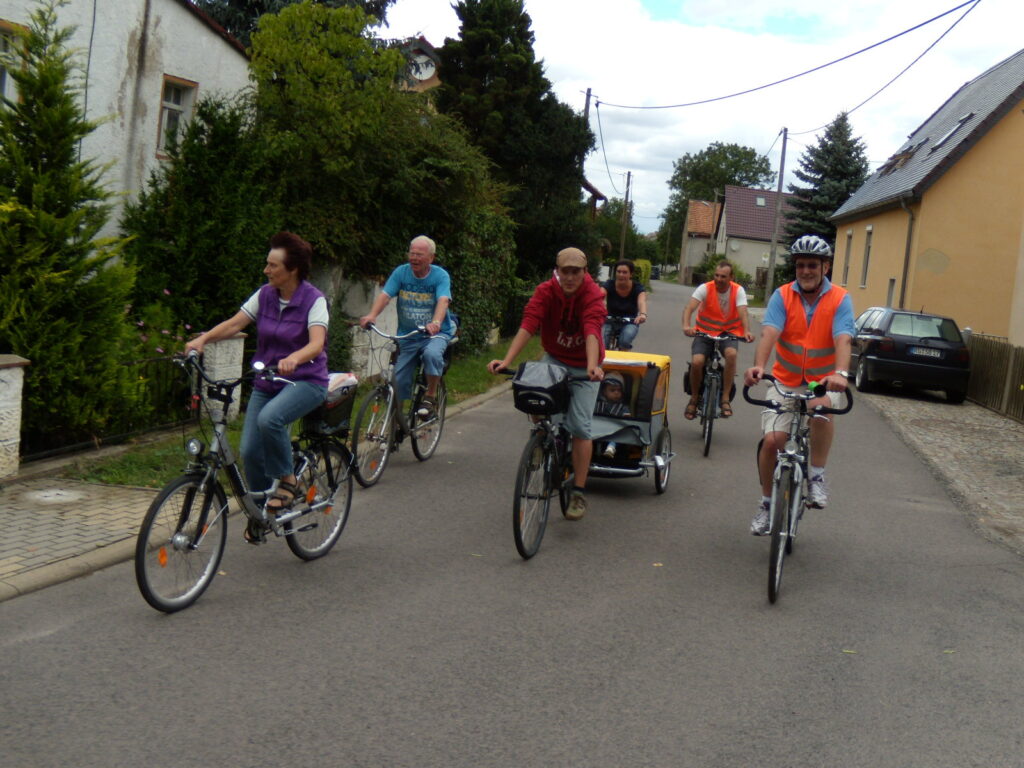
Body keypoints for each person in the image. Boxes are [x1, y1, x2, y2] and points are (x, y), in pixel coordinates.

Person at [185, 232, 329, 538]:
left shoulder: (314, 300)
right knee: (250, 450)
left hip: (305, 380)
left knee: (270, 420)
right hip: (269, 380)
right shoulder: (265, 294)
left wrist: (295, 357)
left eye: (273, 266)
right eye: (267, 264)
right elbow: (236, 323)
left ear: (293, 270)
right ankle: (264, 511)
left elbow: (316, 344)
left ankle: (288, 481)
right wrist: (203, 339)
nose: (266, 270)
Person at [743, 235, 855, 536]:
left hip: (822, 380)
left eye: (813, 265)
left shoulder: (840, 299)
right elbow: (769, 333)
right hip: (786, 381)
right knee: (772, 442)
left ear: (825, 267)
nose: (806, 271)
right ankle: (767, 504)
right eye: (801, 265)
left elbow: (843, 337)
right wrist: (759, 367)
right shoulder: (782, 295)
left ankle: (816, 476)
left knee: (820, 410)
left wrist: (841, 373)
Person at [487, 247, 605, 521]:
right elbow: (529, 324)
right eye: (566, 271)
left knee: (580, 426)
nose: (571, 277)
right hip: (555, 357)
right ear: (558, 270)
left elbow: (591, 330)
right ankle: (542, 439)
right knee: (532, 391)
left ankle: (578, 491)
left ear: (584, 272)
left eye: (576, 271)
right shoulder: (546, 291)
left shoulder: (593, 295)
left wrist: (591, 366)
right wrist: (506, 361)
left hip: (585, 364)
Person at [359, 235, 456, 419]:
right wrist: (372, 315)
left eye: (420, 254)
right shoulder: (401, 272)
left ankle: (430, 395)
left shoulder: (440, 276)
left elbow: (443, 300)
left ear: (431, 258)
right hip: (408, 335)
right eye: (412, 253)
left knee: (432, 354)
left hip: (436, 333)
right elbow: (386, 295)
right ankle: (396, 423)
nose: (414, 258)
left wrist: (435, 322)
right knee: (399, 379)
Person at [682, 259, 755, 420]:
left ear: (731, 277)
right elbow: (690, 307)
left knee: (731, 355)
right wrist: (687, 326)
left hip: (728, 332)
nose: (719, 279)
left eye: (723, 276)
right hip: (704, 332)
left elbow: (742, 311)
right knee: (697, 362)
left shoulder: (738, 291)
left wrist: (747, 331)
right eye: (716, 275)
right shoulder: (705, 288)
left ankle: (725, 398)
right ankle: (694, 398)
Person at [601, 259, 648, 350]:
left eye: (625, 272)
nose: (621, 275)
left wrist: (643, 314)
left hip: (630, 321)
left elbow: (641, 301)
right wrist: (600, 307)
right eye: (618, 272)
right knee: (602, 343)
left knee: (625, 341)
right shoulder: (609, 284)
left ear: (631, 274)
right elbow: (600, 296)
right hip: (609, 319)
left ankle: (624, 359)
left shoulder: (637, 288)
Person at [595, 371, 630, 459]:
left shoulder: (622, 407)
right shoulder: (597, 404)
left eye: (619, 390)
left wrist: (626, 418)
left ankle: (611, 448)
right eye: (612, 390)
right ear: (604, 392)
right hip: (597, 429)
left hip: (614, 431)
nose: (616, 393)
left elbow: (627, 418)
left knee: (619, 434)